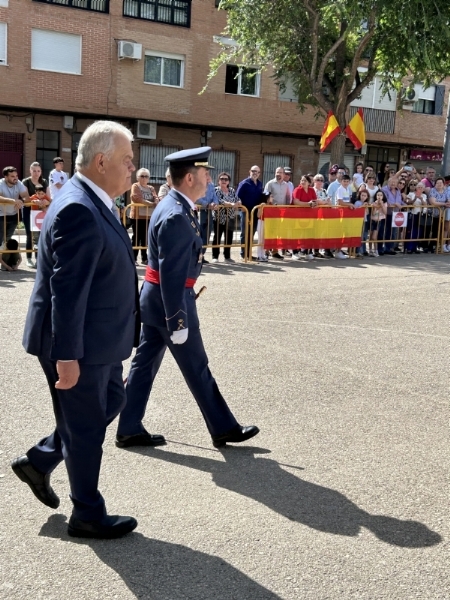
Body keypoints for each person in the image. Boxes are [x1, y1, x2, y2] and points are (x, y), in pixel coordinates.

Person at [11, 121, 141, 540]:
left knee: (111, 401)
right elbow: (65, 292)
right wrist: (67, 359)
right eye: (127, 160)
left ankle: (42, 459)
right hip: (77, 344)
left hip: (96, 341)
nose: (133, 167)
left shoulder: (92, 198)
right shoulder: (79, 208)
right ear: (101, 161)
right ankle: (86, 513)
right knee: (85, 427)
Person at [116, 146, 259, 450]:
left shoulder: (173, 206)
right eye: (206, 175)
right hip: (172, 301)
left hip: (156, 299)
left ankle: (128, 427)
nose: (209, 181)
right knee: (197, 366)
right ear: (190, 178)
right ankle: (223, 428)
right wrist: (177, 319)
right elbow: (171, 274)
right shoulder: (177, 215)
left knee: (144, 365)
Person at [22, 162, 50, 268]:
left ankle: (39, 259)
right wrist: (34, 201)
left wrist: (45, 203)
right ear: (30, 171)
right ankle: (29, 258)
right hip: (29, 211)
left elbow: (49, 197)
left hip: (41, 212)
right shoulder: (26, 181)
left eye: (38, 171)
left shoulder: (44, 181)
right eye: (34, 171)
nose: (36, 173)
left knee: (41, 235)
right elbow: (25, 197)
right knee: (29, 234)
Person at [130, 168, 158, 266]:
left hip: (149, 216)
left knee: (146, 238)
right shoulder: (135, 186)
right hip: (137, 216)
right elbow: (136, 198)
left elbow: (156, 197)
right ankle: (133, 258)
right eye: (142, 176)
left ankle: (144, 258)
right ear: (137, 177)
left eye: (146, 176)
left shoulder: (151, 188)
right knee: (136, 237)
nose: (144, 178)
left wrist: (156, 201)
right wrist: (150, 203)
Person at [212, 171, 241, 263]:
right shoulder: (216, 190)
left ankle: (227, 256)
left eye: (226, 179)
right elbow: (218, 200)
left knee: (229, 237)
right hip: (219, 217)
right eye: (222, 179)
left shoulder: (232, 190)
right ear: (218, 181)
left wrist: (239, 203)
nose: (224, 181)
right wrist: (228, 204)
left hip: (230, 217)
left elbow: (237, 199)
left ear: (229, 181)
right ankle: (215, 256)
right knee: (217, 237)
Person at [236, 166, 263, 260]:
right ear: (249, 171)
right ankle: (244, 254)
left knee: (252, 233)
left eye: (257, 172)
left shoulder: (259, 184)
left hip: (255, 212)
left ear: (259, 173)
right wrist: (241, 207)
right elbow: (237, 197)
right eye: (253, 171)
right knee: (245, 233)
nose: (255, 173)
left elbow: (261, 197)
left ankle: (249, 253)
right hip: (245, 212)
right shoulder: (244, 183)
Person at [0, 166, 29, 249]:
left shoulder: (18, 183)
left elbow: (26, 197)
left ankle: (4, 260)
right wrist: (13, 201)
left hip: (13, 215)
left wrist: (21, 201)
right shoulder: (1, 183)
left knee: (7, 239)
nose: (15, 178)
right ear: (6, 177)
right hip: (1, 214)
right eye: (12, 176)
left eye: (16, 176)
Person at [291, 175, 317, 261]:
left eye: (305, 180)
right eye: (302, 180)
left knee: (308, 233)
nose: (302, 182)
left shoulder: (312, 190)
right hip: (298, 215)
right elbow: (296, 202)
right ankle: (295, 252)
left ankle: (307, 251)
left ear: (309, 182)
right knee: (297, 233)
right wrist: (308, 204)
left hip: (309, 215)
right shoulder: (297, 189)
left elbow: (315, 200)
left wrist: (314, 204)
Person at [369, 190, 388, 257]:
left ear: (383, 196)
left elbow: (385, 212)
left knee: (374, 237)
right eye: (378, 195)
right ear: (376, 196)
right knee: (371, 236)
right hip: (373, 220)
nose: (379, 196)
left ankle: (376, 250)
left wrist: (381, 204)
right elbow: (373, 213)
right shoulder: (373, 203)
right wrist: (375, 207)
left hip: (378, 221)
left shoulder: (385, 203)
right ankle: (370, 250)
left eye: (381, 195)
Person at [256, 191, 272, 262]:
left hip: (268, 223)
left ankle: (263, 255)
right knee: (261, 239)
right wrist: (262, 207)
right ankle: (259, 255)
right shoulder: (261, 205)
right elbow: (258, 215)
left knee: (264, 240)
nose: (272, 198)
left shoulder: (271, 205)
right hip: (262, 222)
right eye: (271, 196)